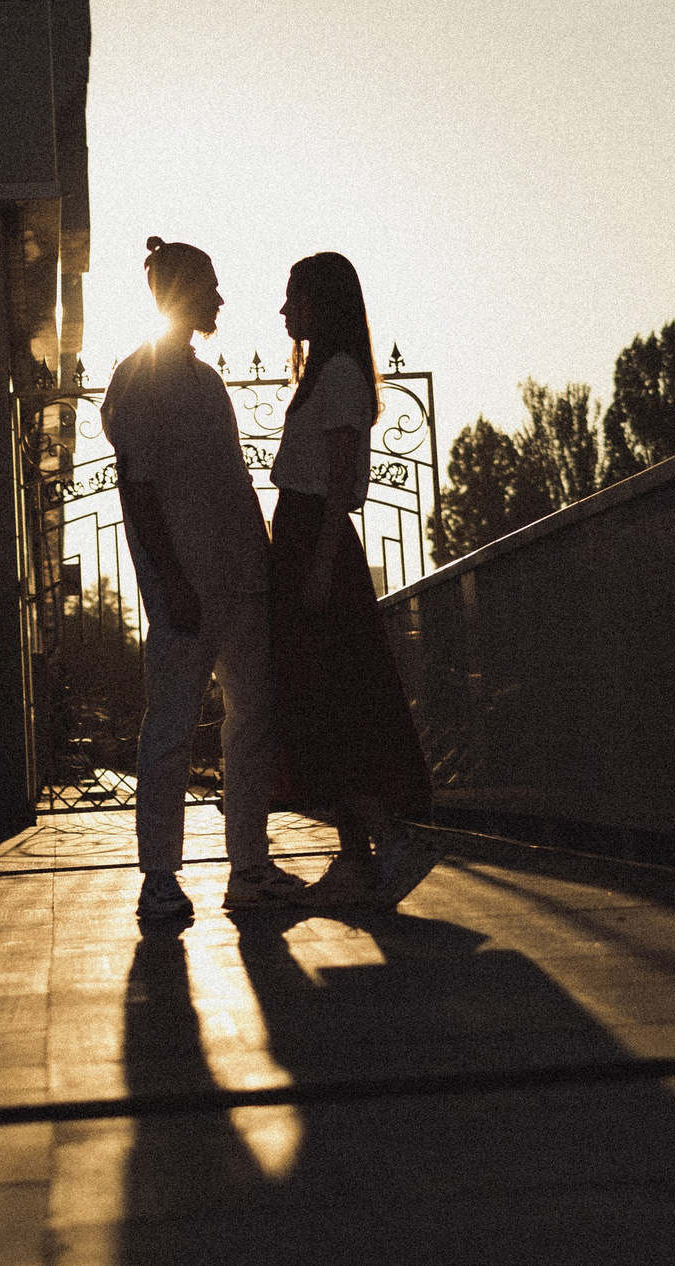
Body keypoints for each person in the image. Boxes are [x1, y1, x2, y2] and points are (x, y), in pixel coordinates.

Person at [101, 237, 306, 922]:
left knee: (253, 722)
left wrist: (263, 563)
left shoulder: (208, 381)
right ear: (180, 291)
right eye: (210, 285)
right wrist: (173, 583)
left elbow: (232, 485)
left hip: (242, 581)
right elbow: (140, 491)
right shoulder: (138, 379)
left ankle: (248, 865)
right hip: (187, 587)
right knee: (170, 728)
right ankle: (159, 876)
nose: (220, 297)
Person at [266, 251, 441, 907]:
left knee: (333, 703)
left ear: (323, 303)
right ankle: (356, 860)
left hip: (318, 543)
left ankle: (389, 841)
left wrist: (317, 564)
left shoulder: (338, 375)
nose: (284, 311)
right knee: (319, 703)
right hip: (303, 539)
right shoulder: (321, 375)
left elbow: (342, 485)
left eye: (295, 298)